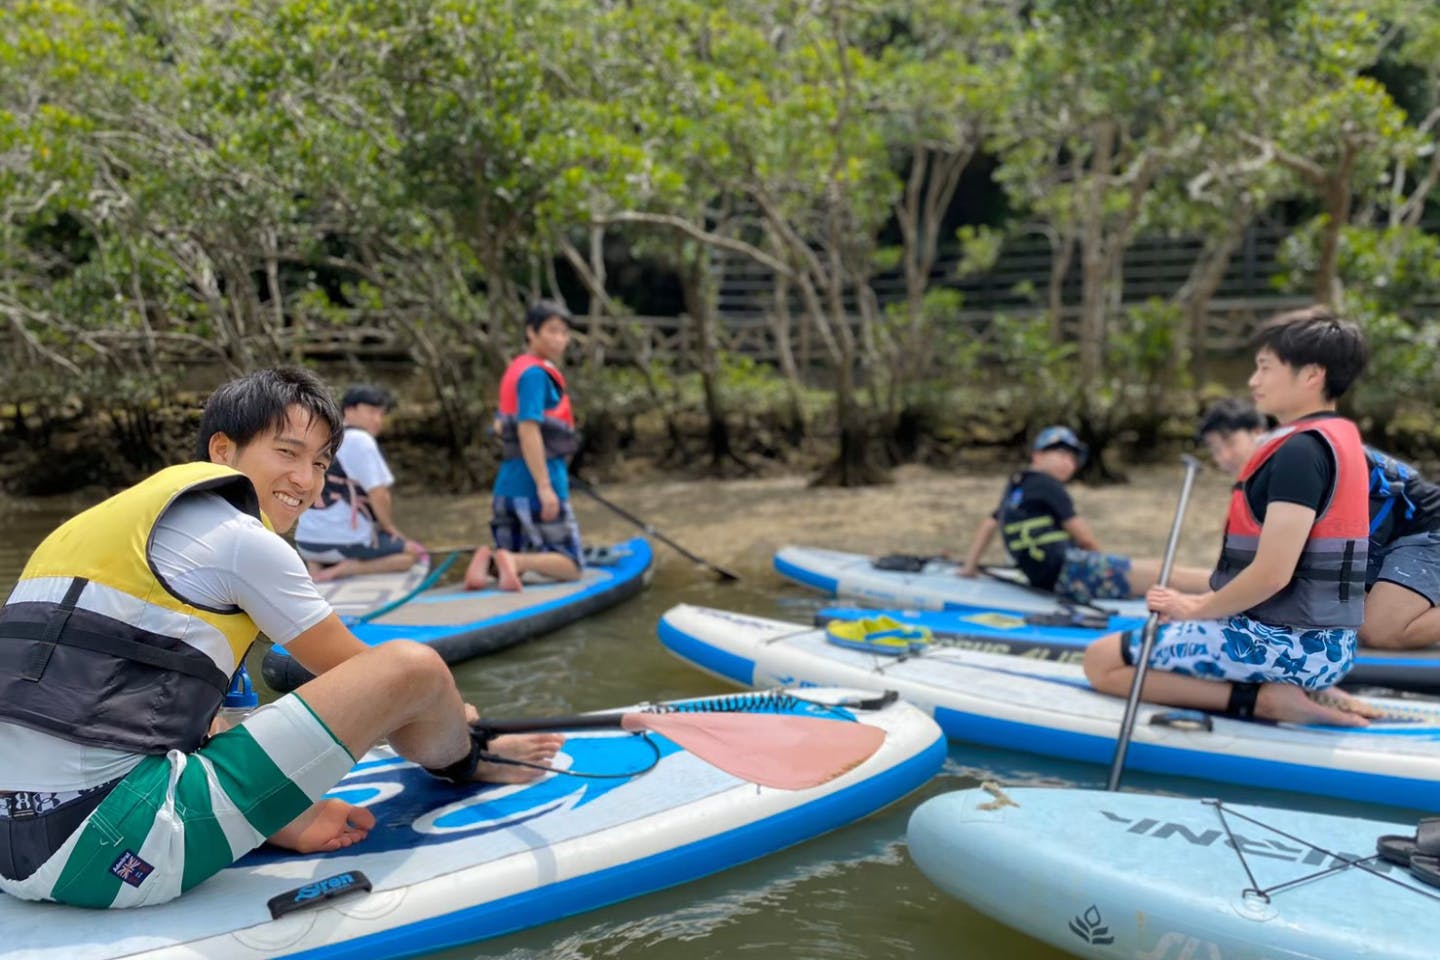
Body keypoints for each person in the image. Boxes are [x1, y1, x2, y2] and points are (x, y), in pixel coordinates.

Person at [0, 368, 562, 908]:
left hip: (11, 846)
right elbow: (381, 685)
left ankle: (281, 819)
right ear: (222, 451)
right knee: (415, 668)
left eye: (320, 463)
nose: (307, 481)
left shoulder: (86, 530)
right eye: (287, 453)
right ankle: (466, 762)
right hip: (104, 853)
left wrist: (285, 814)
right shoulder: (242, 538)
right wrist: (457, 722)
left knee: (228, 712)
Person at [1083, 306, 1374, 726]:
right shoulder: (1337, 441)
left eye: (1265, 368)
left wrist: (1196, 609)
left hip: (1289, 648)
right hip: (1327, 646)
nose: (1254, 381)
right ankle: (1304, 688)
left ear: (1312, 375)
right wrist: (1203, 605)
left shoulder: (1299, 452)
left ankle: (1266, 702)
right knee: (1174, 625)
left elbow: (1273, 574)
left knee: (1102, 660)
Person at [1198, 397, 1440, 651]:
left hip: (1426, 527)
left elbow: (1276, 573)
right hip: (1385, 538)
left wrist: (1200, 607)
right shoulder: (1267, 473)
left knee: (1380, 630)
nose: (1223, 457)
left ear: (1257, 432)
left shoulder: (1299, 458)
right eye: (1214, 450)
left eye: (1229, 442)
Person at [959, 426, 1212, 603]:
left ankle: (1226, 585)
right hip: (1069, 574)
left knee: (1160, 569)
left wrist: (969, 567)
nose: (1067, 461)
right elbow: (1085, 539)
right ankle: (1229, 588)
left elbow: (989, 524)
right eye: (1059, 453)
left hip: (1043, 576)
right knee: (1163, 574)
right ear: (1037, 455)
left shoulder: (1017, 484)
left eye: (1072, 457)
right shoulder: (1048, 486)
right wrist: (1103, 566)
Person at [464, 301, 585, 592]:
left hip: (507, 485)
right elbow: (528, 429)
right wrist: (545, 487)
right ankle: (513, 562)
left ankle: (489, 561)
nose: (560, 339)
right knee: (572, 566)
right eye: (552, 331)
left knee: (516, 546)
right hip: (537, 484)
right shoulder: (535, 375)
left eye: (564, 332)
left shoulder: (516, 369)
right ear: (531, 332)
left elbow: (499, 424)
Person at [295, 384, 424, 583]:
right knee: (411, 555)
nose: (378, 420)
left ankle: (316, 565)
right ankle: (348, 568)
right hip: (345, 543)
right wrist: (388, 527)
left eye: (381, 414)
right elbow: (379, 493)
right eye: (371, 412)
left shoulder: (319, 436)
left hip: (305, 543)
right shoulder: (360, 440)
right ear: (349, 410)